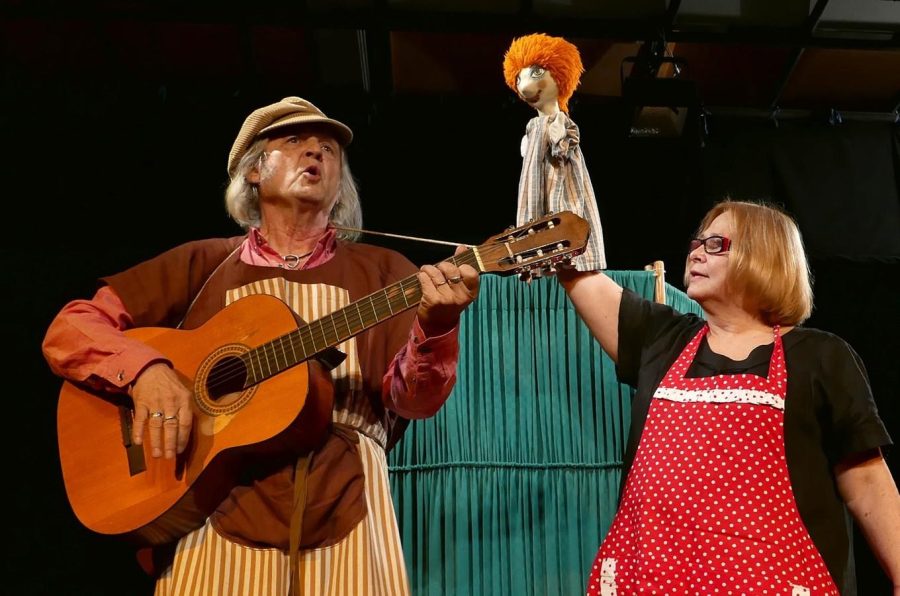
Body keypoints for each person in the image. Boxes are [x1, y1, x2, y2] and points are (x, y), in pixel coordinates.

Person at [42, 96, 480, 595]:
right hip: (213, 515)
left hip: (347, 505)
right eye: (294, 141)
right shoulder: (203, 264)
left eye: (329, 150)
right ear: (253, 171)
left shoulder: (385, 272)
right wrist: (146, 372)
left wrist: (438, 324)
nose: (315, 152)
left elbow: (415, 402)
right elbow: (71, 327)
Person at [559, 199, 899, 595]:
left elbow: (865, 480)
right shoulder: (662, 340)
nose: (696, 253)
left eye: (717, 244)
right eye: (697, 243)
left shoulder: (820, 358)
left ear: (765, 257)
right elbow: (574, 264)